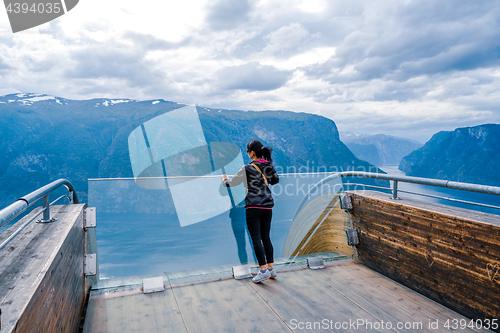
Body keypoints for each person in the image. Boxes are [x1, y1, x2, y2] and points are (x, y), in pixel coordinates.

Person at [221, 140, 279, 283]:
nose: (247, 153)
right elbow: (275, 180)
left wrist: (224, 179)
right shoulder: (268, 166)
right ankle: (271, 269)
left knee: (256, 239)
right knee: (266, 238)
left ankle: (263, 270)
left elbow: (232, 183)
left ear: (252, 153)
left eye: (247, 151)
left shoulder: (246, 168)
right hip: (267, 207)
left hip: (253, 207)